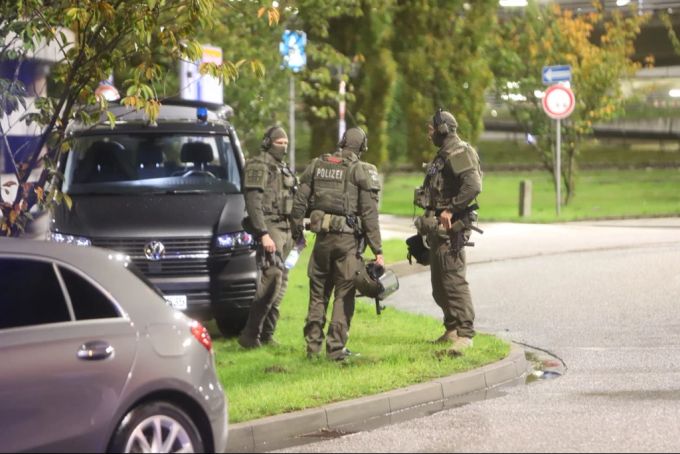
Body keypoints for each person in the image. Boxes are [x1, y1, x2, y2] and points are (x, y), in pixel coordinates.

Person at [291, 127, 384, 361]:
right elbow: (369, 214)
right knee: (344, 294)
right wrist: (378, 250)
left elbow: (299, 201)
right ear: (362, 147)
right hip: (347, 243)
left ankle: (312, 348)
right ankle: (336, 349)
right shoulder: (360, 171)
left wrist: (295, 232)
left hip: (322, 241)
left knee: (318, 294)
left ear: (342, 142)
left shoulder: (317, 165)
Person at [414, 108, 483, 356]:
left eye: (431, 130)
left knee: (453, 280)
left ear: (443, 129)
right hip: (437, 228)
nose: (428, 135)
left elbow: (473, 185)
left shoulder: (458, 151)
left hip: (451, 227)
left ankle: (465, 334)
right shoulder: (443, 155)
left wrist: (452, 210)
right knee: (439, 284)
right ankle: (451, 328)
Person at [238, 126, 297, 349]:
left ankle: (267, 334)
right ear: (267, 142)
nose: (283, 146)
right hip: (270, 228)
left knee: (282, 284)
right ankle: (250, 335)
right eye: (279, 142)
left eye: (286, 142)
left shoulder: (284, 168)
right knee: (271, 279)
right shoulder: (258, 165)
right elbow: (253, 202)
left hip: (287, 230)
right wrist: (263, 233)